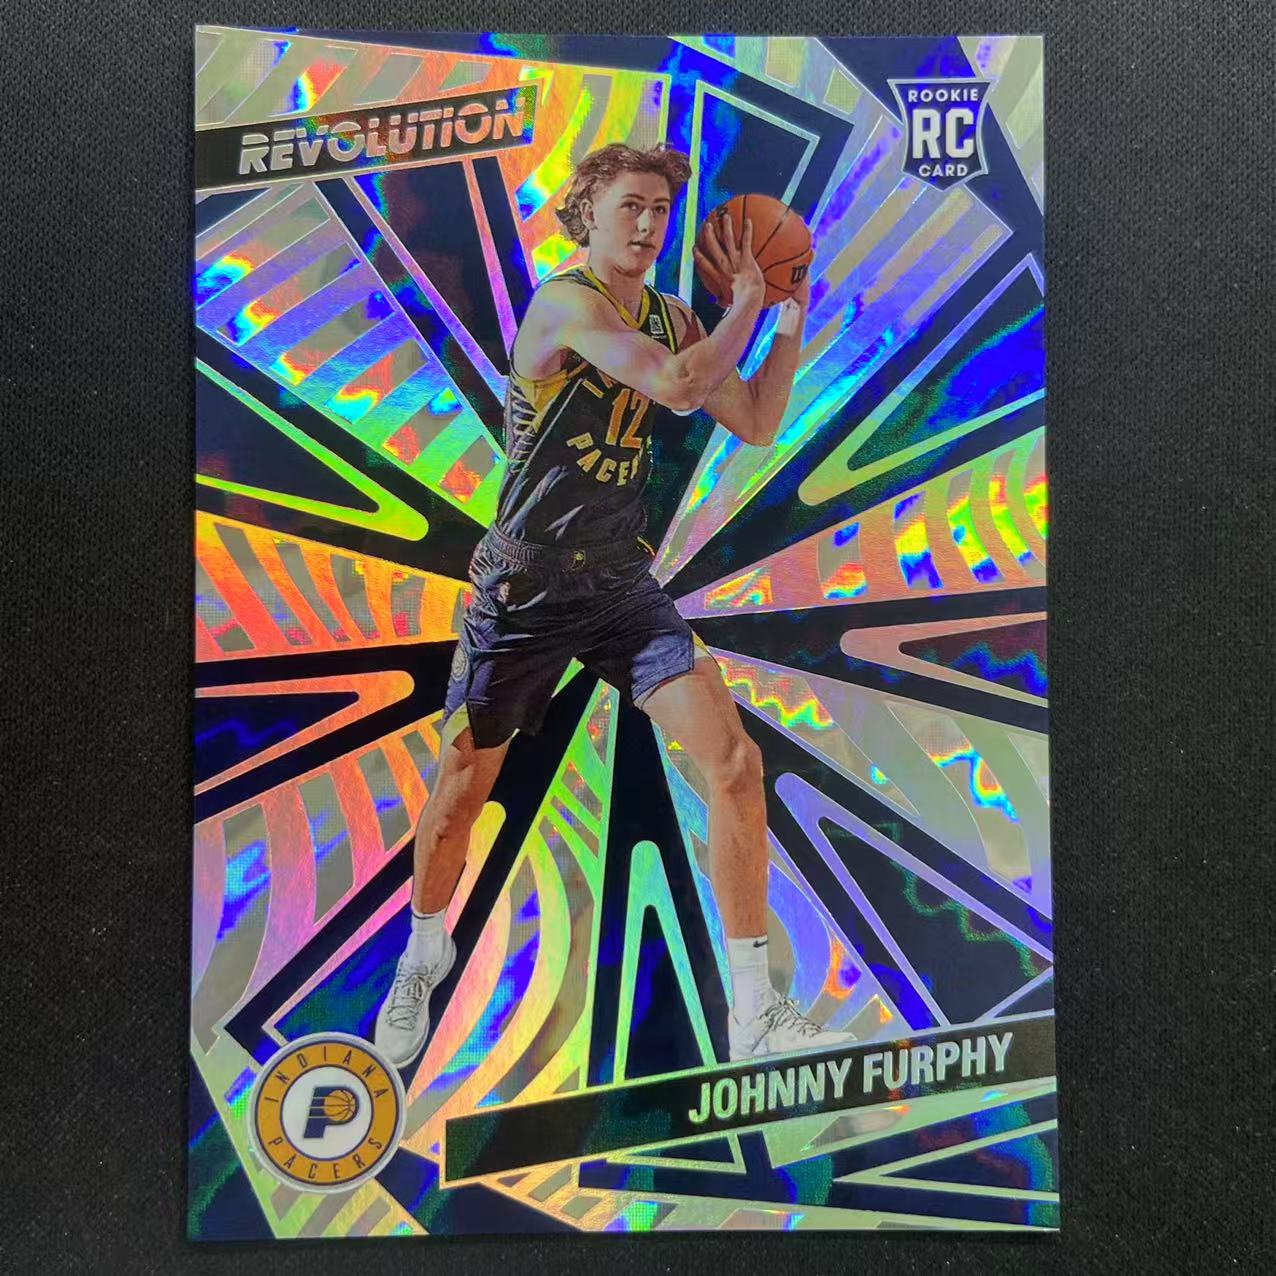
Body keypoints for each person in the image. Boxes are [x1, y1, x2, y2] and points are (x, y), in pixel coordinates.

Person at [374, 142, 854, 1066]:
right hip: (524, 585)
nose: (646, 224)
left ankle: (753, 1010)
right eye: (630, 205)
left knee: (734, 762)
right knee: (461, 792)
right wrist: (745, 304)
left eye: (660, 211)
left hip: (616, 584)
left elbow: (756, 422)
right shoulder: (566, 304)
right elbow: (677, 387)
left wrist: (787, 314)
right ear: (587, 210)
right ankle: (421, 955)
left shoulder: (673, 318)